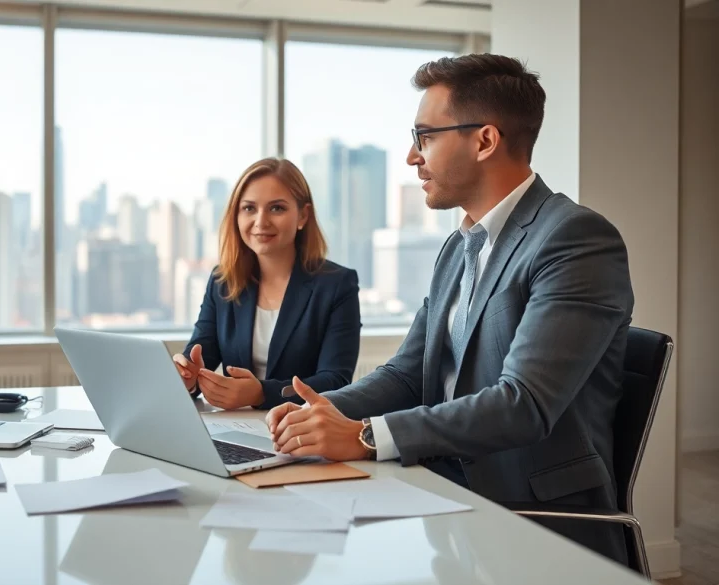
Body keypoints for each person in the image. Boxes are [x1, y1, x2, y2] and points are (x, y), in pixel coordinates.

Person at [265, 54, 634, 566]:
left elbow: (522, 403)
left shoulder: (574, 239)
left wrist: (368, 437)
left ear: (484, 140)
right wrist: (325, 414)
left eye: (425, 137)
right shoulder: (460, 245)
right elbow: (408, 371)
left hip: (528, 514)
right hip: (438, 490)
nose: (413, 158)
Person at [173, 157, 361, 411]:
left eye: (277, 208)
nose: (261, 221)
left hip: (300, 427)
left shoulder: (337, 285)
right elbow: (199, 359)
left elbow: (336, 381)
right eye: (249, 208)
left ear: (303, 215)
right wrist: (187, 377)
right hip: (235, 427)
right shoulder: (222, 282)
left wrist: (262, 393)